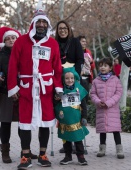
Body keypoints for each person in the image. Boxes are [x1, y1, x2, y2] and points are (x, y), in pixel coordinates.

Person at [7, 9, 63, 169]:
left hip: (46, 89)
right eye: (38, 22)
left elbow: (57, 67)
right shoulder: (21, 41)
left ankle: (43, 154)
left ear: (48, 25)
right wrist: (13, 87)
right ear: (33, 23)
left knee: (45, 122)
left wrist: (58, 88)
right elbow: (12, 66)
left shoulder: (53, 43)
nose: (41, 25)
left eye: (44, 22)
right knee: (24, 122)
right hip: (26, 89)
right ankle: (25, 156)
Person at [0, 27, 37, 164]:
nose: (11, 40)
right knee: (5, 125)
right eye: (8, 38)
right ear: (4, 41)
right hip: (5, 94)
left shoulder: (24, 52)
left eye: (14, 38)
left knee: (23, 124)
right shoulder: (0, 55)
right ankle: (5, 152)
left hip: (23, 93)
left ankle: (26, 150)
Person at [55, 20, 87, 154]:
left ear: (68, 29)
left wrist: (75, 74)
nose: (62, 30)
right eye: (60, 28)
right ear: (57, 31)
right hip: (60, 79)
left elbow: (80, 59)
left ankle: (78, 143)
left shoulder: (75, 42)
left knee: (77, 108)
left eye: (65, 28)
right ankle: (66, 143)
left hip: (73, 77)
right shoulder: (54, 43)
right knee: (65, 111)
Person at [90, 57, 124, 159]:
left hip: (112, 110)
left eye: (105, 66)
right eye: (101, 66)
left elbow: (118, 93)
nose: (102, 68)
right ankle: (102, 149)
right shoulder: (96, 81)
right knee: (102, 131)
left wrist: (108, 103)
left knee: (116, 130)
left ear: (110, 68)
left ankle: (119, 150)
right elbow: (92, 93)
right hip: (101, 109)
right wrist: (98, 101)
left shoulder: (115, 80)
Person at [54, 67, 89, 165]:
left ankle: (81, 156)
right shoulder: (60, 91)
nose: (70, 80)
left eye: (72, 78)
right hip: (64, 120)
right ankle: (68, 156)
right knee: (66, 139)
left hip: (76, 120)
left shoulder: (79, 89)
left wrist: (84, 117)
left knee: (78, 138)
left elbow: (84, 105)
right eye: (67, 78)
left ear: (75, 78)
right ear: (63, 79)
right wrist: (57, 111)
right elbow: (55, 104)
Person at [78, 35, 95, 102]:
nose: (85, 43)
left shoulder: (88, 52)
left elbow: (93, 67)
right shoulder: (75, 51)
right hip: (77, 78)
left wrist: (91, 62)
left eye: (85, 41)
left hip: (86, 78)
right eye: (83, 41)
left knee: (85, 98)